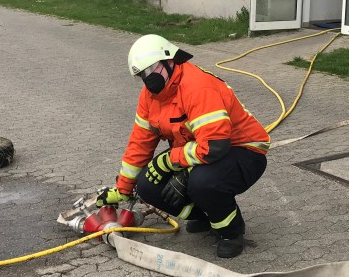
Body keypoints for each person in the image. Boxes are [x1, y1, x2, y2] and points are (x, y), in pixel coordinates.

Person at [96, 34, 270, 258]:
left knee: (202, 183)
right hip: (199, 151)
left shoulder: (197, 88)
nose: (148, 79)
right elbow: (140, 142)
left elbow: (216, 146)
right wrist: (123, 189)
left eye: (151, 70)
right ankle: (205, 215)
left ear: (170, 61)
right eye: (142, 75)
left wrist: (170, 162)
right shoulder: (151, 96)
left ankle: (231, 231)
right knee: (147, 185)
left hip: (244, 151)